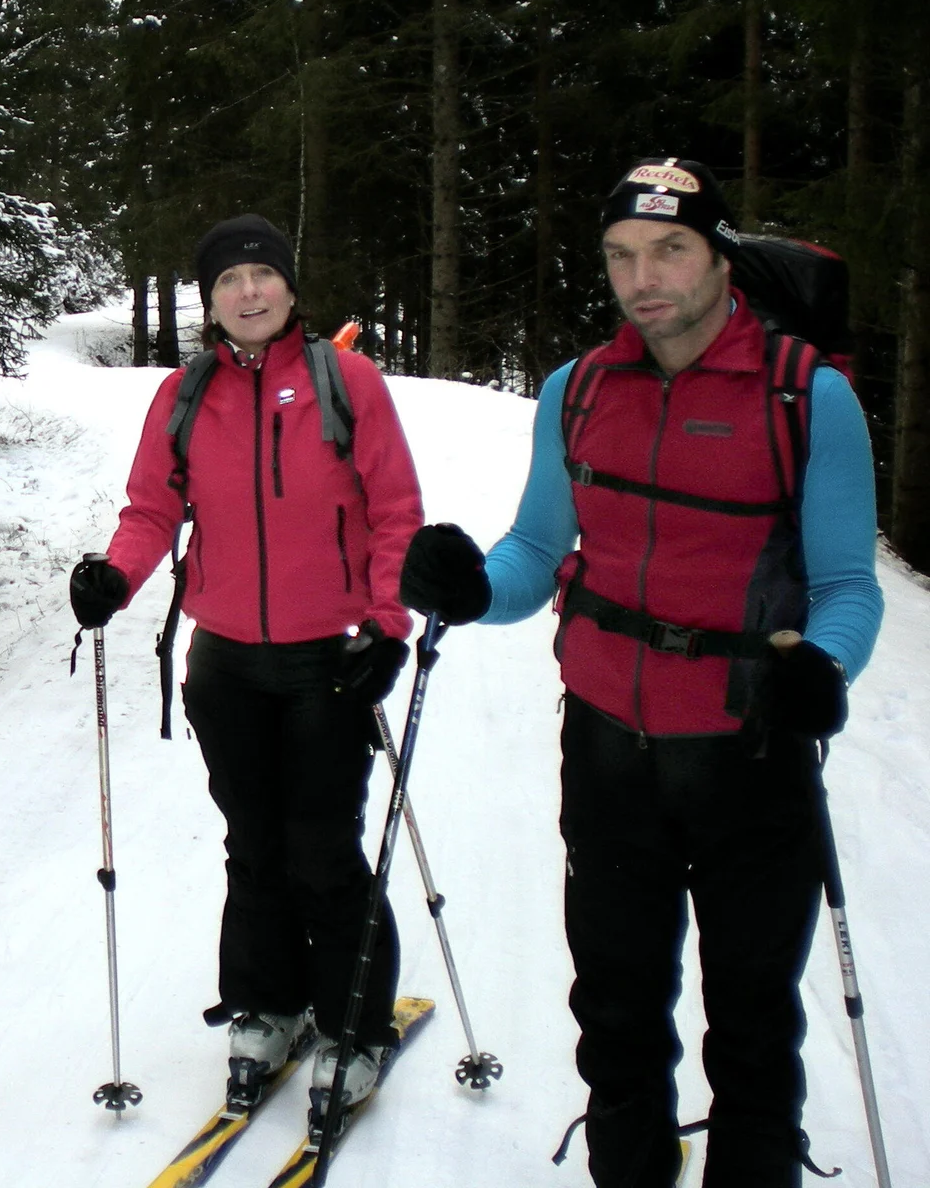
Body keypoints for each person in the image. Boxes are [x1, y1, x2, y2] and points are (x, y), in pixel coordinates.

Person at [398, 159, 884, 1188]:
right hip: (608, 750)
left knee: (753, 1016)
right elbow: (537, 550)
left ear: (720, 259)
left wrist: (825, 666)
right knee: (615, 1008)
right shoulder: (577, 391)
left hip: (752, 750)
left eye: (670, 250)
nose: (643, 277)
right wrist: (474, 589)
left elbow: (849, 585)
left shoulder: (808, 395)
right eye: (621, 255)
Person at [67, 214, 424, 1110]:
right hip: (225, 661)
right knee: (254, 846)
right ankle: (268, 1003)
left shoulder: (347, 382)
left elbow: (395, 511)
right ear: (211, 299)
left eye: (263, 274)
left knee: (322, 849)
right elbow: (152, 510)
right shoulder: (186, 394)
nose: (248, 291)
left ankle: (354, 1026)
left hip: (326, 661)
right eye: (229, 279)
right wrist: (116, 576)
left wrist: (388, 624)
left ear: (291, 288)